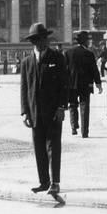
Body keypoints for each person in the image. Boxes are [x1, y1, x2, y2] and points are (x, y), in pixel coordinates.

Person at [19, 23, 68, 203]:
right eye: (38, 40)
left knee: (53, 147)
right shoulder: (26, 62)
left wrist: (62, 107)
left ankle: (55, 182)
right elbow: (24, 88)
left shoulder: (58, 58)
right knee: (39, 147)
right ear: (33, 41)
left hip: (54, 111)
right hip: (34, 112)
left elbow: (64, 85)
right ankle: (43, 181)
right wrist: (24, 111)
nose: (42, 43)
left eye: (44, 39)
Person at [64, 30, 102, 138]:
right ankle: (84, 132)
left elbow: (64, 70)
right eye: (87, 40)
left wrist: (65, 84)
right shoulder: (89, 54)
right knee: (85, 107)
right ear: (84, 41)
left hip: (72, 85)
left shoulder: (68, 53)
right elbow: (94, 70)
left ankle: (74, 127)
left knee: (72, 105)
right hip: (86, 85)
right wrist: (98, 84)